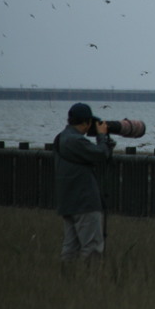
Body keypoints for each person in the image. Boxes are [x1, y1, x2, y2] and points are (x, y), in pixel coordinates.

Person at [53, 102, 115, 264]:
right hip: (84, 201)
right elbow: (101, 154)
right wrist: (102, 136)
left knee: (71, 247)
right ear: (86, 122)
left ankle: (68, 279)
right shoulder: (76, 141)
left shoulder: (61, 137)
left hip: (68, 201)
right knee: (92, 247)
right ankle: (89, 282)